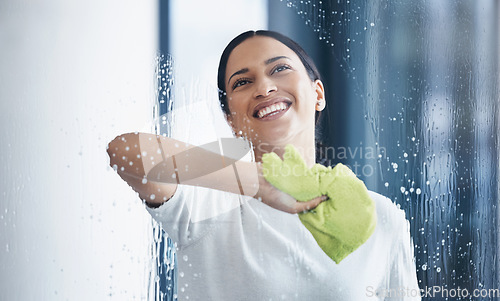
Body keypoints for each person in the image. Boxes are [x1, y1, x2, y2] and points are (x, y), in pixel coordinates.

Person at [107, 30, 421, 300]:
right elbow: (127, 151)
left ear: (317, 93)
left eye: (280, 68)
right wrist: (255, 182)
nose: (264, 88)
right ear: (231, 120)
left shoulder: (382, 218)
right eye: (242, 82)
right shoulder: (206, 205)